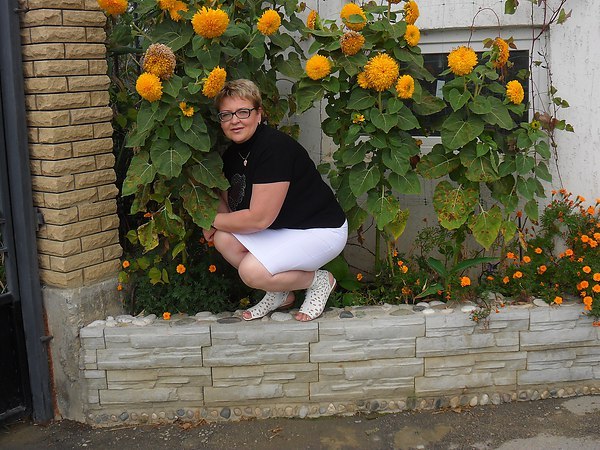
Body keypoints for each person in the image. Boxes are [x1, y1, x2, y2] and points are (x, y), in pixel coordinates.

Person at [202, 79, 348, 322]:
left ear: (259, 114)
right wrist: (214, 221)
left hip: (319, 230)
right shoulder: (232, 155)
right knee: (224, 239)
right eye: (226, 115)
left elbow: (259, 219)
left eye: (243, 112)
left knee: (252, 272)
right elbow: (226, 203)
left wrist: (210, 219)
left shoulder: (274, 148)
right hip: (281, 229)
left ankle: (319, 281)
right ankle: (281, 292)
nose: (234, 120)